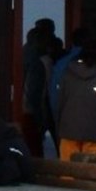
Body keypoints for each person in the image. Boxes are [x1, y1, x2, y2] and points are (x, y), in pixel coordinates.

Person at [54, 38, 96, 161]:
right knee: (89, 170)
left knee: (67, 170)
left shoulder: (67, 72)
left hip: (68, 132)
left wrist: (58, 131)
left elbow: (59, 105)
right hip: (94, 134)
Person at [20, 18, 61, 157]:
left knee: (33, 148)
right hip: (39, 108)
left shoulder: (25, 53)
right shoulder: (41, 61)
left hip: (29, 109)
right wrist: (39, 118)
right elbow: (35, 92)